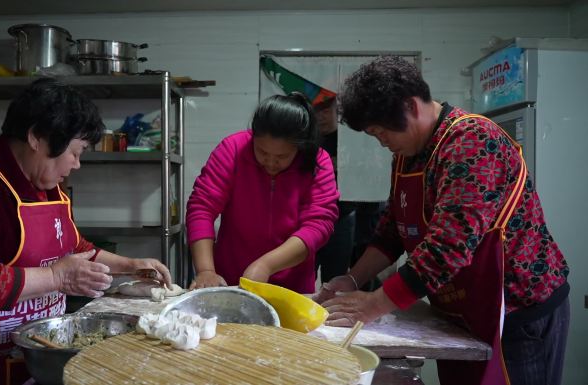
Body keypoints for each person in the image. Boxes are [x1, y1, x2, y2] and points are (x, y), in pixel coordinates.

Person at [314, 56, 570, 385]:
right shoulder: (407, 155)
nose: (383, 143)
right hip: (463, 313)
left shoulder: (472, 141)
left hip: (519, 313)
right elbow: (393, 231)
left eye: (382, 132)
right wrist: (351, 279)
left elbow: (449, 246)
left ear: (411, 106)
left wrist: (375, 304)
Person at [0, 78, 172, 385]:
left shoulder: (45, 183)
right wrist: (57, 278)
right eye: (75, 151)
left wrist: (130, 266)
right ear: (37, 138)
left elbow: (72, 246)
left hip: (29, 357)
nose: (77, 164)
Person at [186, 92, 339, 294]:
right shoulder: (233, 149)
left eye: (282, 156)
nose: (270, 162)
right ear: (253, 137)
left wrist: (266, 265)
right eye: (262, 152)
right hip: (231, 283)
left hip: (292, 289)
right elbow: (201, 208)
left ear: (300, 148)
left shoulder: (317, 161)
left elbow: (319, 224)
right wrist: (206, 270)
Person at [313, 97, 387, 286]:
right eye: (317, 111)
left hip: (344, 215)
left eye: (325, 110)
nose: (321, 116)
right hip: (313, 216)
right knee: (306, 272)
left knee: (336, 275)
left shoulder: (349, 140)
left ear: (335, 110)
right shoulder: (309, 142)